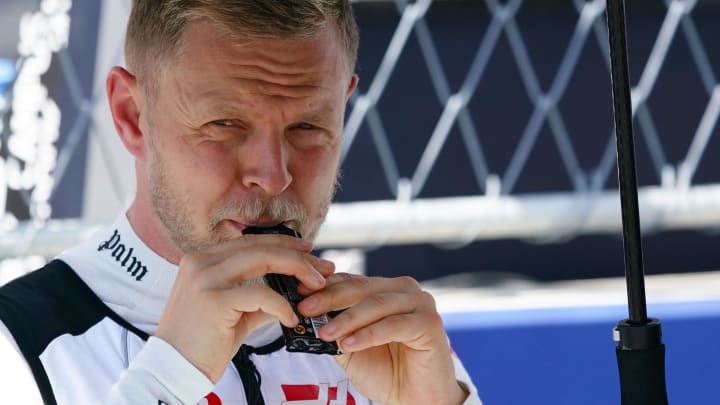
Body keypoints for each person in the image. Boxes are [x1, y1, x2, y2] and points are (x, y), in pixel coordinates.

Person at [0, 1, 481, 404]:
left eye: (307, 127)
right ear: (132, 115)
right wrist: (165, 379)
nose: (273, 176)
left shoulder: (386, 344)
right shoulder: (17, 346)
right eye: (225, 124)